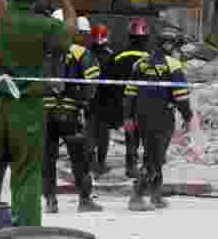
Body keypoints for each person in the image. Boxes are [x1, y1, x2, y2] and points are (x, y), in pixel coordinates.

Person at [0, 0, 75, 228]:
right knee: (27, 172)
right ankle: (26, 227)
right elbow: (69, 34)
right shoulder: (46, 25)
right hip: (28, 106)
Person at [123, 27, 192, 211]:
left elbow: (130, 92)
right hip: (162, 116)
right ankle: (137, 197)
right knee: (155, 157)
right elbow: (181, 95)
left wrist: (128, 116)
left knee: (153, 154)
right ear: (170, 45)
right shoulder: (173, 65)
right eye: (176, 45)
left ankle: (156, 195)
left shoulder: (140, 63)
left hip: (141, 115)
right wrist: (188, 116)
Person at [42, 12, 102, 213]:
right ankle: (84, 201)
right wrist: (83, 100)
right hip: (70, 115)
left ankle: (50, 201)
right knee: (79, 159)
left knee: (47, 159)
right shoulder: (80, 53)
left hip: (44, 114)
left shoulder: (41, 51)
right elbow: (92, 84)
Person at [107, 18, 150, 179]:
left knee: (131, 136)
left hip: (123, 103)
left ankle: (131, 166)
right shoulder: (151, 57)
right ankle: (147, 166)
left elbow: (108, 82)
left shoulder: (117, 56)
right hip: (145, 103)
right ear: (146, 38)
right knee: (148, 136)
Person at [86, 23, 115, 176]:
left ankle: (92, 163)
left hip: (90, 100)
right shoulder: (110, 56)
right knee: (103, 133)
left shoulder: (87, 54)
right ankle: (100, 163)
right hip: (104, 101)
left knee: (90, 131)